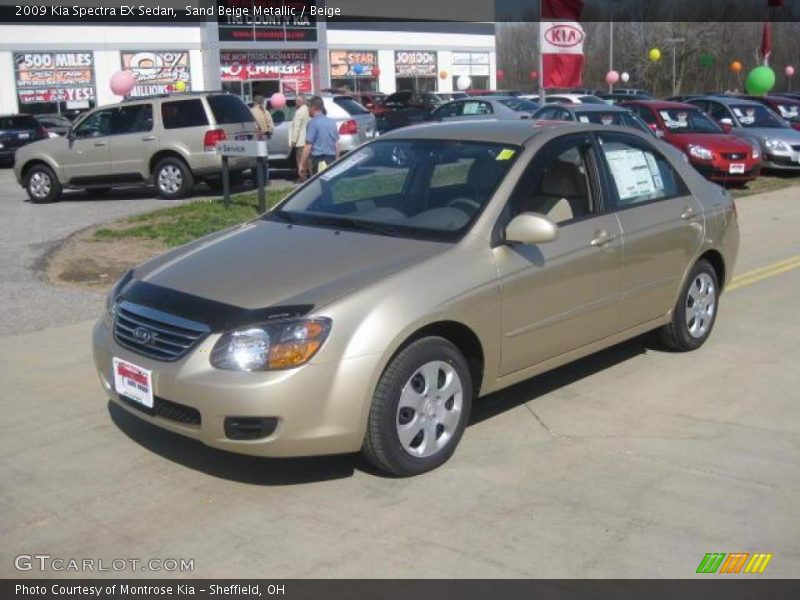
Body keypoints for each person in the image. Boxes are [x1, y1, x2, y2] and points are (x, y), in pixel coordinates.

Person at [301, 96, 340, 177]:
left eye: (308, 107)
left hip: (319, 160)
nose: (308, 110)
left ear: (313, 108)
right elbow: (337, 144)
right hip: (331, 159)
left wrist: (302, 164)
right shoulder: (332, 122)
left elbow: (308, 146)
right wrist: (337, 159)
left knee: (320, 182)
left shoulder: (313, 123)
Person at [290, 94, 310, 182]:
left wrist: (293, 140)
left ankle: (302, 177)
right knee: (307, 160)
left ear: (300, 101)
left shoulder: (299, 112)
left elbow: (297, 127)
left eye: (296, 100)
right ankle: (308, 176)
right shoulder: (308, 110)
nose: (295, 102)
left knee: (300, 160)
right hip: (308, 139)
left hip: (300, 140)